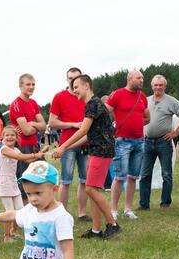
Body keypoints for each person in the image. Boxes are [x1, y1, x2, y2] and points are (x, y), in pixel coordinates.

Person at [54, 74, 122, 239]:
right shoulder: (94, 104)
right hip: (96, 149)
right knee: (93, 189)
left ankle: (113, 224)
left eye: (76, 86)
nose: (74, 90)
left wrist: (63, 146)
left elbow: (83, 131)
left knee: (90, 188)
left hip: (101, 151)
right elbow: (89, 135)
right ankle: (96, 230)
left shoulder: (92, 104)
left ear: (86, 86)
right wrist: (67, 147)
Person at [104, 70, 150, 220]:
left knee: (132, 177)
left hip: (139, 141)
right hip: (122, 141)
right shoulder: (117, 94)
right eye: (139, 78)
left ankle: (128, 209)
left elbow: (147, 117)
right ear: (130, 79)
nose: (142, 80)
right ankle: (113, 210)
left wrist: (136, 125)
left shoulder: (142, 96)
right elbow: (105, 112)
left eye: (142, 78)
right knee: (119, 177)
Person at [139, 75, 179, 210]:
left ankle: (165, 202)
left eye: (161, 85)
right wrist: (141, 130)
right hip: (147, 142)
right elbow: (139, 116)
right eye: (156, 85)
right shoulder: (146, 100)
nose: (158, 87)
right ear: (152, 86)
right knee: (144, 174)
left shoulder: (171, 101)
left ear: (165, 86)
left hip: (164, 142)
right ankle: (144, 204)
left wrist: (176, 133)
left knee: (166, 174)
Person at [49, 67, 90, 221]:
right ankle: (63, 214)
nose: (73, 81)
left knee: (85, 180)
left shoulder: (86, 98)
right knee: (65, 181)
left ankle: (82, 213)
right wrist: (74, 124)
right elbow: (52, 122)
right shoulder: (59, 97)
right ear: (66, 79)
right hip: (67, 144)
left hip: (86, 143)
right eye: (70, 78)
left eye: (76, 78)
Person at [0, 126, 46, 242]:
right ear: (2, 137)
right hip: (4, 182)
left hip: (13, 181)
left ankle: (17, 232)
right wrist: (35, 155)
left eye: (12, 135)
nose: (10, 137)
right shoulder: (4, 149)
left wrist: (39, 154)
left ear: (16, 138)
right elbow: (19, 157)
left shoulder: (16, 150)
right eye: (7, 135)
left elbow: (26, 160)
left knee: (20, 210)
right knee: (9, 211)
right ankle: (7, 236)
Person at [10, 74, 47, 200]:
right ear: (20, 86)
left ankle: (39, 210)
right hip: (23, 148)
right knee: (25, 183)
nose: (31, 87)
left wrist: (32, 124)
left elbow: (44, 126)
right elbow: (26, 131)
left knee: (42, 178)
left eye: (33, 84)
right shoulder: (16, 104)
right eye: (28, 84)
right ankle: (25, 215)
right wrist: (34, 126)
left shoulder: (33, 103)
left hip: (35, 146)